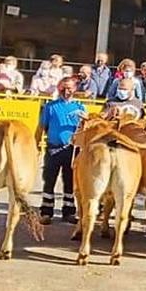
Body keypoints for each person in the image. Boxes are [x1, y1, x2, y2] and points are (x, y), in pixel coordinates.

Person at [36, 77, 85, 225]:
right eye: (63, 88)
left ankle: (69, 212)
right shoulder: (50, 107)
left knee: (70, 181)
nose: (66, 91)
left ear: (75, 89)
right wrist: (36, 146)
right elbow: (41, 128)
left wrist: (85, 118)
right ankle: (46, 212)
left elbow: (86, 129)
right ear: (59, 88)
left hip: (72, 150)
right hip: (54, 148)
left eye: (69, 88)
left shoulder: (80, 107)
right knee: (49, 180)